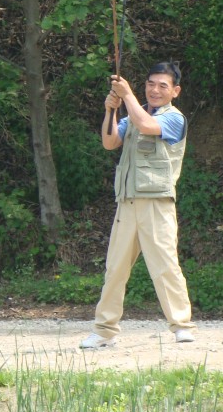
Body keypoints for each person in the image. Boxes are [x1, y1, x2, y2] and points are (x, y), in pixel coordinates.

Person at [80, 61, 196, 349]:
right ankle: (104, 331)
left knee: (165, 266)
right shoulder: (133, 113)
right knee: (115, 269)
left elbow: (147, 125)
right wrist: (111, 109)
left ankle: (182, 326)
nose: (155, 90)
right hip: (127, 203)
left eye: (162, 86)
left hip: (157, 203)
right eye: (150, 84)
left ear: (175, 91)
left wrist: (127, 95)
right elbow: (110, 142)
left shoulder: (174, 118)